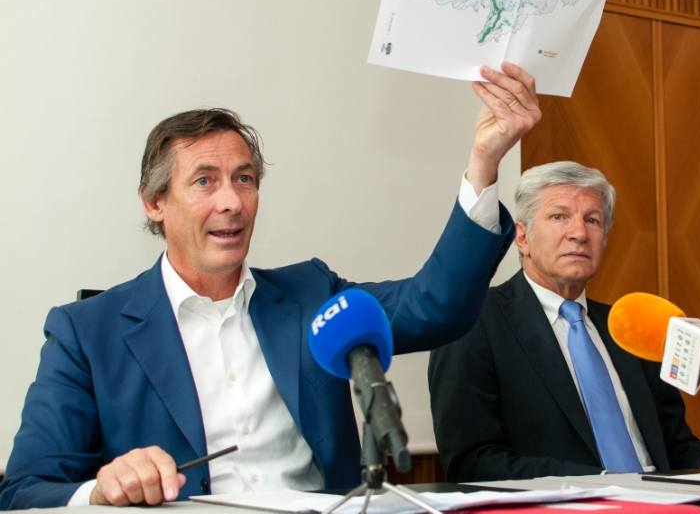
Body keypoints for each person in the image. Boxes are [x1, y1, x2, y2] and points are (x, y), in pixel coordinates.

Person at [0, 63, 541, 510]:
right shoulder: (85, 333)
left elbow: (437, 306)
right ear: (154, 202)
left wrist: (484, 161)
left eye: (244, 179)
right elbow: (25, 490)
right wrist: (102, 491)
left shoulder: (312, 296)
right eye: (205, 181)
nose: (232, 201)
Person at [428, 161, 700, 482]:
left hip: (666, 497)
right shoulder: (472, 321)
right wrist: (603, 482)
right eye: (559, 217)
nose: (579, 233)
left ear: (604, 239)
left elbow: (675, 441)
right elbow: (473, 462)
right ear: (522, 237)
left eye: (592, 220)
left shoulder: (628, 326)